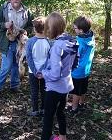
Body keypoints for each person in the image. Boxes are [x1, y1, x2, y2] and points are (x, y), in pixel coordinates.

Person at [40, 12, 77, 140]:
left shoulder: (57, 46)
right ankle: (62, 137)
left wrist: (44, 73)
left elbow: (55, 74)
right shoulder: (70, 40)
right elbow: (74, 63)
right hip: (66, 84)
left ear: (52, 29)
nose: (47, 31)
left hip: (55, 88)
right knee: (60, 112)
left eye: (48, 28)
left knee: (48, 117)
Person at [0, 0, 33, 92]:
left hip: (20, 43)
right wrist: (4, 25)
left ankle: (14, 86)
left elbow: (31, 25)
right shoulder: (3, 9)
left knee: (16, 64)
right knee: (6, 66)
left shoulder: (27, 11)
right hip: (6, 42)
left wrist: (25, 32)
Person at [67, 16, 95, 114]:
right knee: (83, 87)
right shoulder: (91, 36)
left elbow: (75, 56)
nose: (74, 29)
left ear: (81, 30)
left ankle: (74, 108)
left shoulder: (80, 42)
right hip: (86, 69)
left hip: (78, 70)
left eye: (75, 28)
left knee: (76, 90)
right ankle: (82, 102)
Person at [25, 16, 50, 117]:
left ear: (34, 29)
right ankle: (44, 109)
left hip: (33, 72)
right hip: (45, 72)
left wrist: (35, 71)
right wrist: (42, 70)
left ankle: (35, 110)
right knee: (44, 90)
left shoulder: (30, 41)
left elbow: (29, 58)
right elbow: (49, 58)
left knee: (34, 91)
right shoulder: (49, 41)